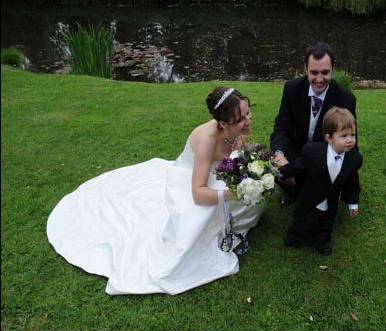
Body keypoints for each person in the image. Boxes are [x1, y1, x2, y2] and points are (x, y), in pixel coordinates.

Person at [47, 87, 264, 295]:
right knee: (198, 220)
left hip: (217, 176)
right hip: (190, 183)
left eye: (248, 112)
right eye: (242, 119)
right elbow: (197, 193)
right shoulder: (208, 140)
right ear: (224, 123)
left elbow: (239, 155)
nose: (249, 120)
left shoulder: (240, 131)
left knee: (250, 200)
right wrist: (232, 193)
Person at [270, 41, 357, 206]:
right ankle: (291, 191)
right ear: (305, 69)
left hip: (324, 156)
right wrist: (280, 155)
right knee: (277, 162)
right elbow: (282, 127)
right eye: (314, 72)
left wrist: (343, 184)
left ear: (332, 69)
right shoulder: (291, 88)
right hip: (295, 152)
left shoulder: (345, 99)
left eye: (325, 72)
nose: (319, 79)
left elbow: (350, 144)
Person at [277, 107, 362, 255]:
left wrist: (353, 203)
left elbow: (352, 182)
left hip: (331, 200)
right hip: (310, 196)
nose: (350, 140)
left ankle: (322, 241)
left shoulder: (354, 159)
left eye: (353, 135)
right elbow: (299, 165)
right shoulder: (313, 151)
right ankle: (295, 236)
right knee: (303, 220)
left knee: (326, 223)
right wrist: (282, 173)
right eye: (344, 136)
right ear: (329, 138)